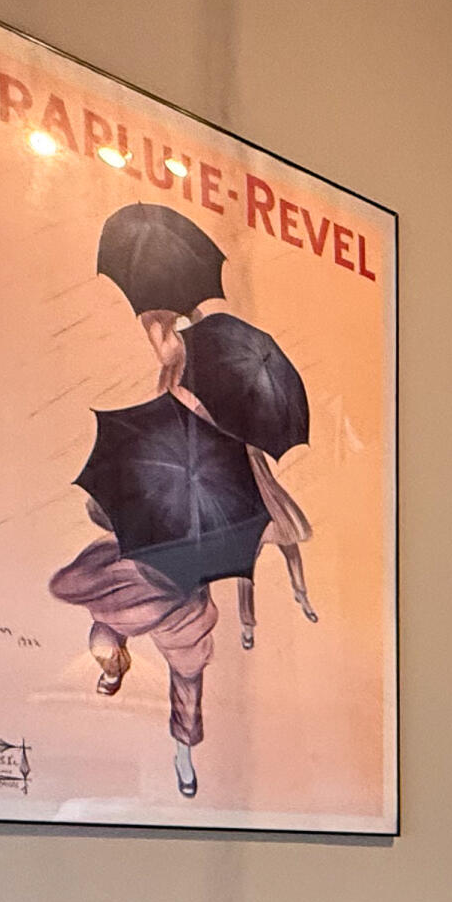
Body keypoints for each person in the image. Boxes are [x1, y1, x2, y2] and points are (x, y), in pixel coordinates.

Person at [50, 205, 314, 799]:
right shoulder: (191, 391)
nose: (153, 335)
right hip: (170, 550)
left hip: (168, 556)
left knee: (162, 650)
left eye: (156, 326)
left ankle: (167, 733)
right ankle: (175, 743)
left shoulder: (194, 403)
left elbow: (116, 502)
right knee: (174, 660)